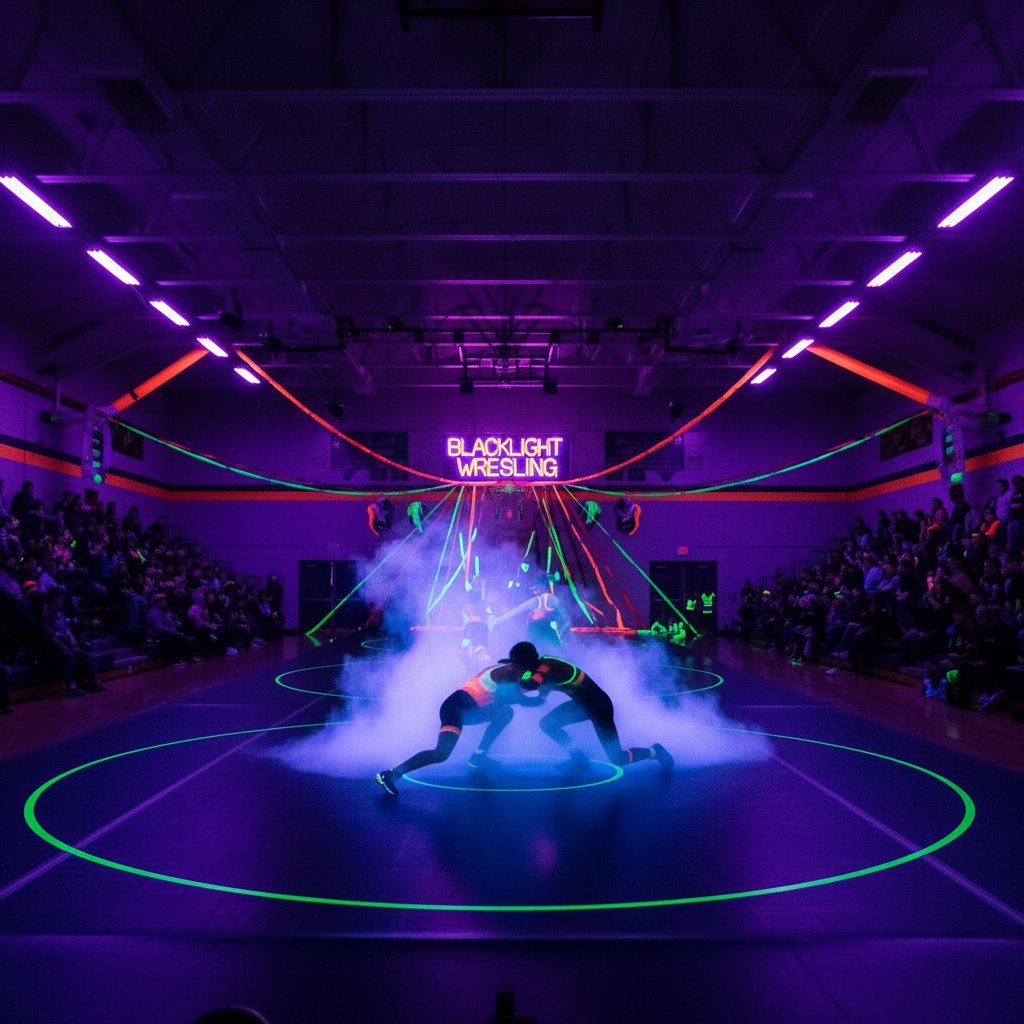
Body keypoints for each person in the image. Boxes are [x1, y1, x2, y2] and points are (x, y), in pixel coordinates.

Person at [375, 656, 543, 795]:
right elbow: (508, 697)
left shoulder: (511, 672)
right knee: (441, 753)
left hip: (471, 711)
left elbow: (514, 693)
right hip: (454, 710)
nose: (526, 676)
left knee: (506, 713)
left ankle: (479, 756)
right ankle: (390, 774)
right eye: (527, 673)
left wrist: (542, 687)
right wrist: (534, 699)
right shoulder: (505, 672)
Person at [511, 641, 674, 771]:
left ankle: (655, 751)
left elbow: (531, 684)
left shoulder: (545, 667)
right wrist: (522, 699)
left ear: (525, 662)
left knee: (618, 759)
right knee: (548, 723)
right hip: (582, 706)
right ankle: (578, 758)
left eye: (518, 665)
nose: (518, 669)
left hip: (599, 707)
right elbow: (539, 697)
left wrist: (516, 680)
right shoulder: (541, 670)